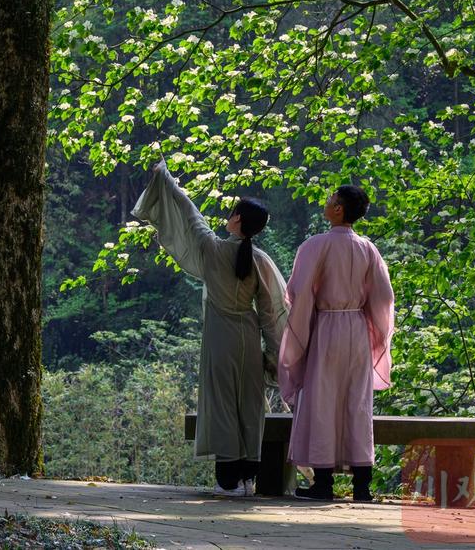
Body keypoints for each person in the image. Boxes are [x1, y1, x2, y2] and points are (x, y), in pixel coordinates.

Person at [133, 157, 288, 497]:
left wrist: (167, 178)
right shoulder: (260, 260)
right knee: (249, 405)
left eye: (233, 212)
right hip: (249, 337)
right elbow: (272, 312)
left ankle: (227, 481)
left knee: (221, 405)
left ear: (237, 220)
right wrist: (274, 355)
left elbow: (189, 213)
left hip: (221, 338)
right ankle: (248, 479)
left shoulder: (212, 249)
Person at [278, 184, 394, 503]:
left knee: (321, 400)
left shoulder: (316, 245)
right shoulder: (368, 248)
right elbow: (384, 299)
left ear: (339, 209)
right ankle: (362, 486)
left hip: (327, 326)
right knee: (357, 403)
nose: (327, 203)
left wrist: (302, 326)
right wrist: (376, 335)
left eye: (331, 199)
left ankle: (324, 482)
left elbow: (299, 293)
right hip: (356, 328)